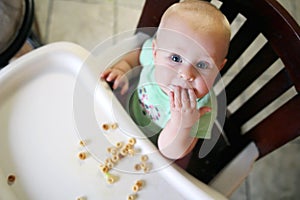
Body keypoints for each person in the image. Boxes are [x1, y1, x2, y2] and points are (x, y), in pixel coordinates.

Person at [101, 0, 231, 160]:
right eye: (176, 58)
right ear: (155, 53)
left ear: (219, 68)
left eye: (202, 64)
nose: (186, 74)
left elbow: (172, 153)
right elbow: (135, 57)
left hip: (152, 153)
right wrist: (123, 69)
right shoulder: (154, 58)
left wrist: (183, 124)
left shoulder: (202, 109)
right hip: (124, 116)